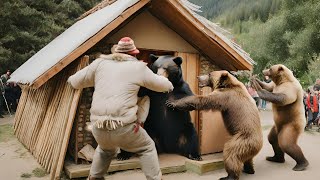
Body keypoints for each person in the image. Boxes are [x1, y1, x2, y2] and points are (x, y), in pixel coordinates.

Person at [68, 37, 173, 180]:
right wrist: (164, 78)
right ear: (134, 54)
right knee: (147, 147)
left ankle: (94, 177)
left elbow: (74, 81)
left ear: (116, 52)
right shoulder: (138, 67)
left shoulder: (99, 64)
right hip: (124, 128)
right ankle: (155, 178)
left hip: (98, 128)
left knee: (105, 149)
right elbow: (163, 86)